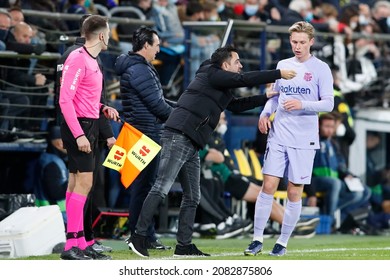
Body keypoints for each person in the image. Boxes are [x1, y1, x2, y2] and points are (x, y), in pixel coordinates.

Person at [128, 44, 297, 258]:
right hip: (179, 134)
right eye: (237, 62)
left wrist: (265, 97)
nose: (241, 66)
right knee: (161, 187)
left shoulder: (220, 85)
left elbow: (235, 105)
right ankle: (138, 236)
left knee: (192, 196)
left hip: (192, 140)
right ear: (225, 64)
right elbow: (242, 80)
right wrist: (277, 73)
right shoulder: (211, 73)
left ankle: (184, 245)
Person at [244, 21, 334, 257]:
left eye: (302, 42)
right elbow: (274, 96)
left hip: (304, 139)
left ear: (311, 42)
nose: (297, 46)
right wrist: (265, 114)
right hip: (279, 134)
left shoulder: (321, 69)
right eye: (294, 42)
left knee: (295, 192)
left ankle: (282, 242)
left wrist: (302, 104)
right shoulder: (283, 65)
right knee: (268, 186)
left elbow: (328, 102)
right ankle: (256, 239)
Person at [59, 14, 119, 260]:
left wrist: (102, 107)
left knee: (77, 184)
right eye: (109, 33)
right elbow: (65, 100)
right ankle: (71, 245)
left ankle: (81, 243)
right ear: (102, 35)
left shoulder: (92, 60)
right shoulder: (77, 58)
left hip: (90, 123)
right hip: (79, 127)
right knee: (83, 183)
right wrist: (79, 134)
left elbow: (85, 97)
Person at [115, 26, 175, 251]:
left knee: (145, 186)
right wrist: (181, 118)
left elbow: (158, 101)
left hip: (141, 132)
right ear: (146, 45)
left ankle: (144, 234)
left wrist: (181, 109)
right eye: (157, 45)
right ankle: (139, 235)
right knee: (144, 188)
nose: (159, 50)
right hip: (144, 134)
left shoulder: (138, 67)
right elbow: (157, 105)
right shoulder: (139, 70)